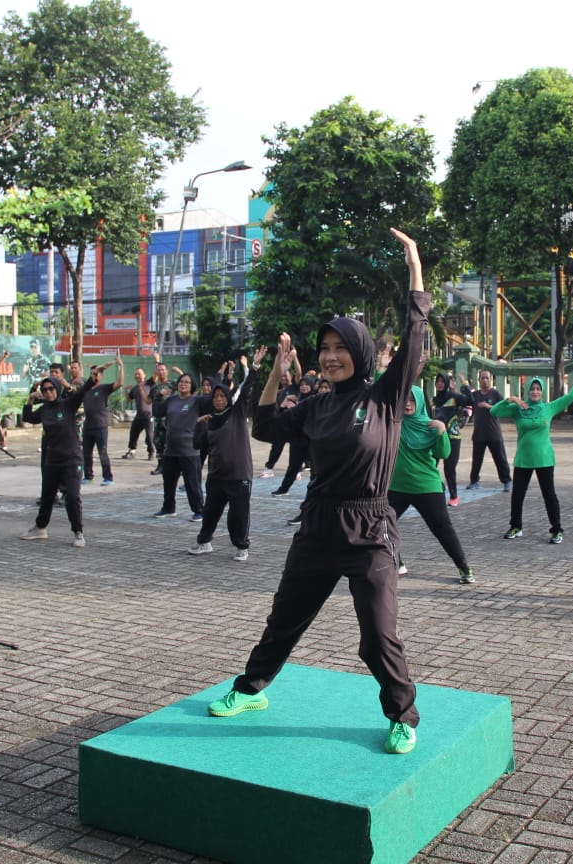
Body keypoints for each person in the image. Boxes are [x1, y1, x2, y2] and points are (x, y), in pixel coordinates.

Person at [208, 227, 428, 757]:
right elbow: (263, 426)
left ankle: (402, 715)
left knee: (378, 637)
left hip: (371, 531)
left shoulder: (385, 396)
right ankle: (251, 690)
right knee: (285, 618)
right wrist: (277, 375)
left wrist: (414, 264)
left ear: (360, 351)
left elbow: (417, 333)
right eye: (324, 350)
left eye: (340, 349)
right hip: (318, 527)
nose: (330, 358)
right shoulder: (316, 404)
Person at [492, 365, 573, 544]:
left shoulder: (548, 408)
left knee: (549, 494)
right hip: (523, 458)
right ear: (527, 391)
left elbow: (569, 397)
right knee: (517, 495)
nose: (535, 392)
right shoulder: (519, 409)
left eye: (538, 389)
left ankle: (557, 529)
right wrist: (510, 399)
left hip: (544, 458)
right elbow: (494, 411)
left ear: (542, 392)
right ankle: (516, 526)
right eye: (532, 389)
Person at [389, 385, 475, 583]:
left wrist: (441, 432)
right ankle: (398, 562)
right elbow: (381, 392)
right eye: (405, 400)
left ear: (420, 402)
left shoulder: (430, 425)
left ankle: (463, 567)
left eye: (412, 400)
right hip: (397, 488)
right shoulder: (394, 423)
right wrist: (380, 369)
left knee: (443, 530)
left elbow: (443, 454)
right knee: (380, 524)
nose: (408, 404)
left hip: (426, 487)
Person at [190, 348, 267, 560]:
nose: (219, 399)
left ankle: (242, 547)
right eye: (216, 396)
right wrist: (198, 425)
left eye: (223, 396)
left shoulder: (237, 412)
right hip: (216, 476)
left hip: (238, 474)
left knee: (238, 515)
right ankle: (204, 542)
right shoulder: (209, 421)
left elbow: (248, 388)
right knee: (210, 512)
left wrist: (254, 366)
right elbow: (199, 447)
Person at [20, 367, 101, 547]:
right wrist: (30, 399)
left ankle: (78, 532)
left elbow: (81, 392)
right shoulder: (44, 410)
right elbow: (28, 418)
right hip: (52, 460)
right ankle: (40, 528)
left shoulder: (67, 404)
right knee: (47, 496)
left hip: (72, 459)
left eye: (51, 389)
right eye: (45, 390)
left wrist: (92, 378)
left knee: (72, 496)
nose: (48, 392)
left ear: (57, 389)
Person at [153, 372, 205, 520]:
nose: (183, 384)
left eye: (187, 382)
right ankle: (168, 508)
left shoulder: (196, 401)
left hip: (189, 450)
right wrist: (158, 396)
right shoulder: (171, 400)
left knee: (192, 484)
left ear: (192, 386)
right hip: (171, 449)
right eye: (181, 381)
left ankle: (199, 510)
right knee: (168, 482)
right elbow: (157, 412)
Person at [467, 368, 512, 493]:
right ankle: (474, 481)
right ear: (479, 380)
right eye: (482, 378)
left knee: (500, 458)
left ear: (491, 380)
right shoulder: (475, 395)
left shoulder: (495, 394)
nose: (485, 380)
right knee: (476, 460)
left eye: (487, 378)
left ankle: (507, 481)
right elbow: (465, 400)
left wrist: (489, 406)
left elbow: (504, 407)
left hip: (494, 433)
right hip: (479, 434)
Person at [431, 372, 472, 506]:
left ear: (447, 383)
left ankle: (454, 496)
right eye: (438, 381)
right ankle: (437, 489)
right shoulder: (433, 400)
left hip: (452, 437)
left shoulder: (454, 397)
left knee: (449, 468)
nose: (440, 384)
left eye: (443, 381)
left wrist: (465, 384)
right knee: (431, 465)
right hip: (436, 437)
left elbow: (471, 401)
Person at [269, 375, 314, 497]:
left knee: (316, 468)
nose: (304, 387)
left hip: (312, 440)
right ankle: (283, 489)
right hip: (297, 439)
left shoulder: (315, 400)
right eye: (302, 385)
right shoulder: (295, 399)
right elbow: (281, 417)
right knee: (293, 466)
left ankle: (315, 491)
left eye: (306, 384)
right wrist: (284, 404)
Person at [81, 355, 123, 485]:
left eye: (97, 374)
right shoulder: (86, 390)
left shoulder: (104, 388)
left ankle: (108, 477)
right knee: (86, 453)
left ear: (101, 376)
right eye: (92, 374)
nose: (94, 376)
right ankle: (88, 476)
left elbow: (119, 383)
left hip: (100, 426)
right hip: (88, 426)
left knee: (102, 453)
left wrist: (121, 366)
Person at [258, 366, 298, 478]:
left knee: (297, 447)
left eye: (286, 375)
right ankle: (269, 468)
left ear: (291, 376)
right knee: (277, 445)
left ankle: (297, 470)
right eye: (282, 376)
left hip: (295, 424)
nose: (284, 378)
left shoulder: (296, 388)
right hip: (283, 423)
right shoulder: (281, 392)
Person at [122, 366, 154, 460]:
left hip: (149, 415)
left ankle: (151, 452)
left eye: (139, 374)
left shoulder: (149, 384)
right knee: (133, 434)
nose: (137, 376)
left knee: (149, 435)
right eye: (135, 374)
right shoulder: (135, 388)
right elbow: (128, 399)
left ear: (144, 375)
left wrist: (157, 360)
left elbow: (155, 375)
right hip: (139, 416)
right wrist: (125, 391)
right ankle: (132, 451)